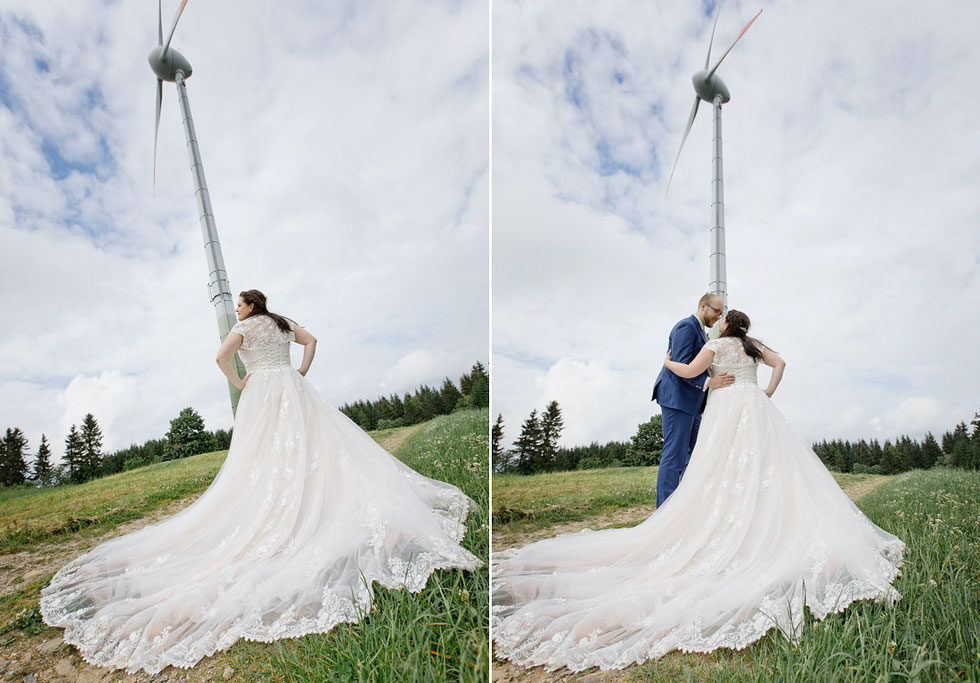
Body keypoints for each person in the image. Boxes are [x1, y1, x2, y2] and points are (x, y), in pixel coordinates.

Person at [40, 289, 482, 675]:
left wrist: (239, 381)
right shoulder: (283, 322)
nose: (237, 309)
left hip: (263, 393)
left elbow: (220, 356)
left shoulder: (247, 327)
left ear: (250, 305)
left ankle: (284, 506)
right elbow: (313, 342)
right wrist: (302, 371)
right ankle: (313, 499)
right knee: (312, 447)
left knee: (269, 454)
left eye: (239, 304)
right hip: (292, 386)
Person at [491, 309, 905, 673]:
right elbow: (781, 364)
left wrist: (668, 362)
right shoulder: (752, 345)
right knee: (765, 467)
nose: (720, 321)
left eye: (722, 317)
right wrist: (766, 392)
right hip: (756, 408)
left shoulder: (718, 344)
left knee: (720, 467)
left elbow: (690, 372)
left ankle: (724, 522)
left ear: (725, 323)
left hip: (727, 411)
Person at [651, 293, 735, 506]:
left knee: (693, 456)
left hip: (693, 403)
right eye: (716, 311)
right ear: (702, 306)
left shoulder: (702, 332)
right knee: (674, 456)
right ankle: (664, 512)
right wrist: (709, 382)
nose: (718, 316)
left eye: (721, 312)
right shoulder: (686, 327)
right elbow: (681, 364)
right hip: (677, 399)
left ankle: (684, 508)